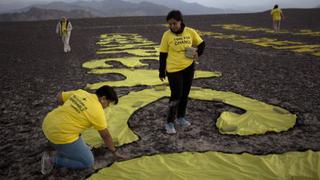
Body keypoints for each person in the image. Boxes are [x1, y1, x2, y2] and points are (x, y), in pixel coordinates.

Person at [41, 85, 124, 175]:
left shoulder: (81, 92)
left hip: (47, 123)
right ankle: (52, 158)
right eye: (108, 103)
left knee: (77, 130)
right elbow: (105, 136)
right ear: (103, 98)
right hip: (60, 135)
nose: (107, 106)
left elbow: (59, 96)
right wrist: (113, 151)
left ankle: (69, 146)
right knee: (87, 162)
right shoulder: (98, 112)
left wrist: (71, 111)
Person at [158, 10, 205, 134]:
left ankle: (181, 117)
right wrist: (161, 71)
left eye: (174, 23)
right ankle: (169, 122)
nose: (172, 26)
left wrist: (197, 53)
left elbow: (201, 43)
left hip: (188, 67)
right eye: (170, 24)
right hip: (173, 69)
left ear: (180, 21)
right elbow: (163, 54)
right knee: (176, 95)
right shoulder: (167, 35)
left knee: (185, 94)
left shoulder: (190, 32)